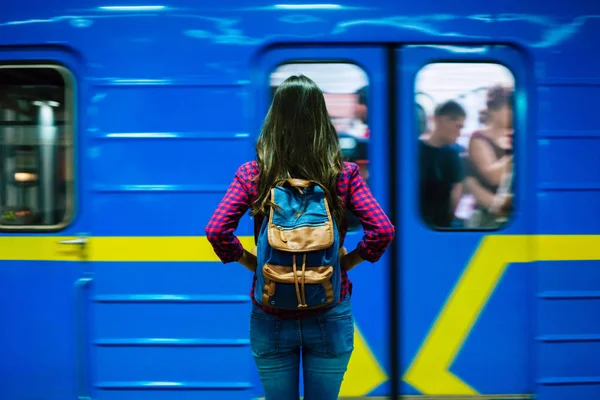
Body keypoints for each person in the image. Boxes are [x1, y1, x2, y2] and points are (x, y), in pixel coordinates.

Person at [205, 75, 395, 400]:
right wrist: (345, 263)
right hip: (329, 310)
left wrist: (254, 263)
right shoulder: (343, 175)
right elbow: (382, 229)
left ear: (274, 120)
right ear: (321, 120)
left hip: (271, 312)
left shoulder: (253, 175)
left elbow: (217, 229)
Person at [418, 100, 466, 228]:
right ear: (441, 120)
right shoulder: (413, 151)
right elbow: (456, 191)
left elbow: (457, 191)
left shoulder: (453, 155)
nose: (459, 133)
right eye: (458, 126)